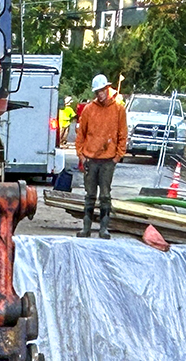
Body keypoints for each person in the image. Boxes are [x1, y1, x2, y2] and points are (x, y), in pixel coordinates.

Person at [73, 74, 127, 238]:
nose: (100, 94)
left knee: (105, 195)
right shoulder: (89, 110)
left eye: (102, 90)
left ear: (107, 89)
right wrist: (81, 156)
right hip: (91, 159)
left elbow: (123, 135)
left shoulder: (118, 110)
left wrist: (118, 156)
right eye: (97, 91)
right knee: (89, 195)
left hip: (108, 161)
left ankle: (104, 228)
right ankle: (86, 228)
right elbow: (80, 135)